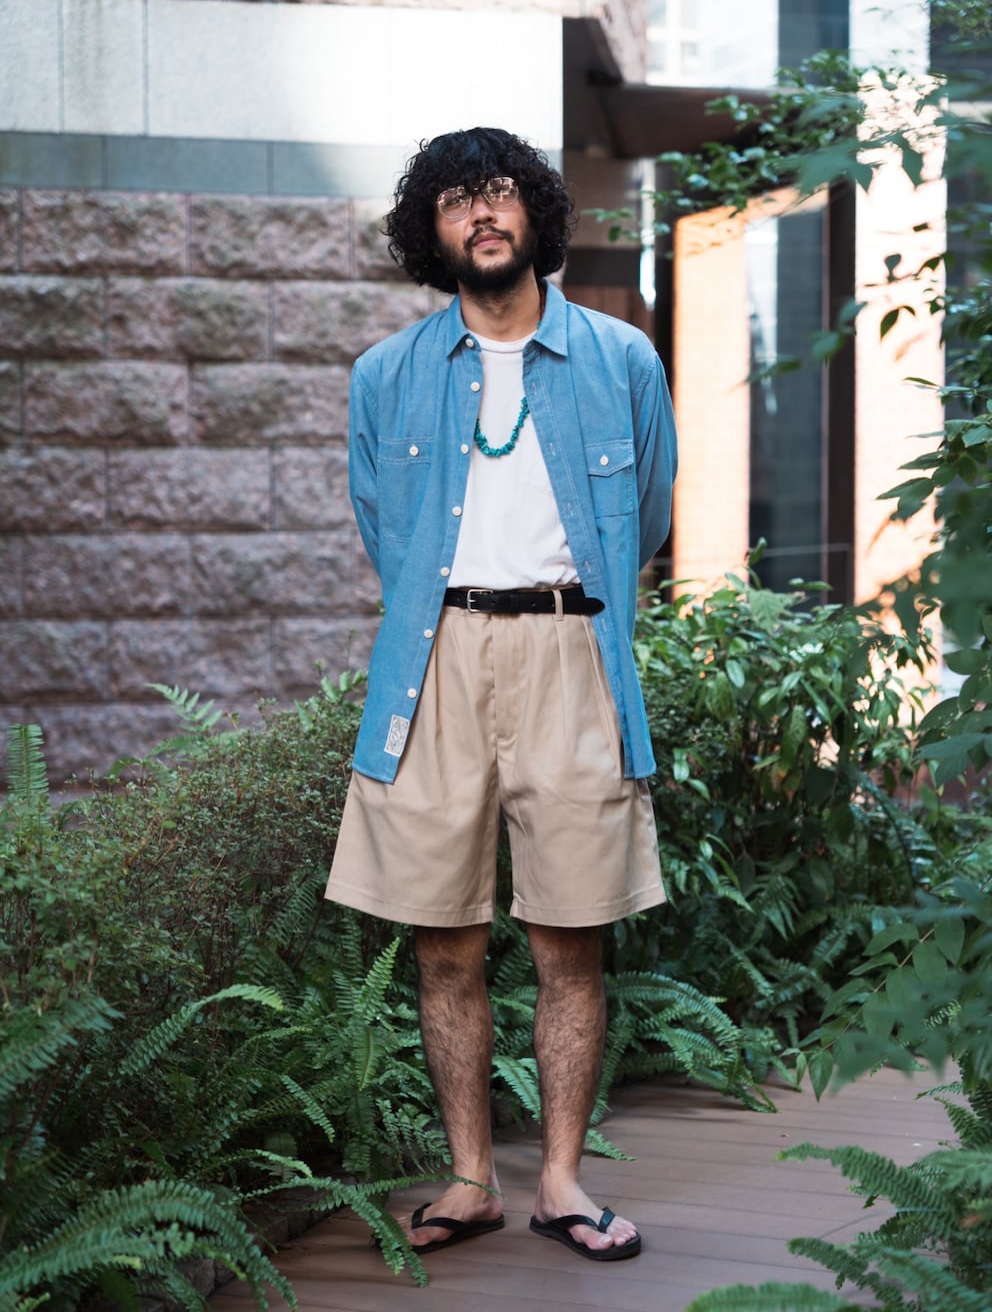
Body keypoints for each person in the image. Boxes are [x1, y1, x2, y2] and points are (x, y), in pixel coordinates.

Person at [326, 126, 678, 1262]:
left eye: (499, 193)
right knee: (445, 941)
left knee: (570, 936)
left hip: (573, 648)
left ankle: (562, 1182)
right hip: (435, 656)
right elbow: (382, 527)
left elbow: (650, 513)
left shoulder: (622, 361)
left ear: (535, 213)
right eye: (454, 202)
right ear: (429, 233)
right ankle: (472, 1178)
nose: (481, 215)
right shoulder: (386, 376)